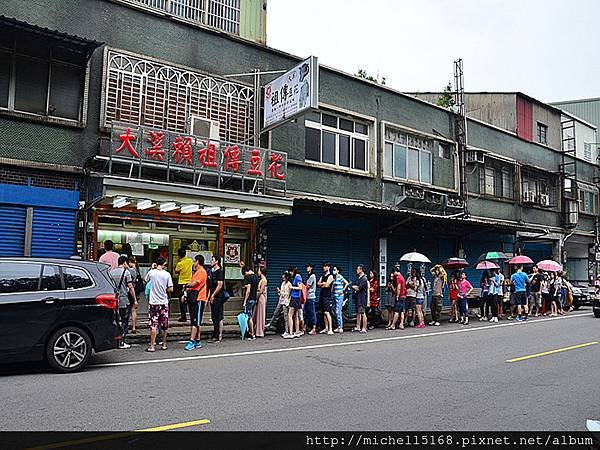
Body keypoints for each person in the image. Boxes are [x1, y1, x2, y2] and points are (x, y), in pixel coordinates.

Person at [145, 257, 173, 352]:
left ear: (156, 263)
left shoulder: (152, 273)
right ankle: (164, 344)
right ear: (164, 264)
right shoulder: (167, 274)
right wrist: (165, 289)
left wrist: (152, 268)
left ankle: (152, 346)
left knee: (153, 324)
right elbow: (171, 289)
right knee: (164, 325)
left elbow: (145, 280)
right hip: (163, 302)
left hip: (153, 302)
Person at [110, 255, 137, 349]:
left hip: (113, 300)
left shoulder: (111, 272)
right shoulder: (126, 273)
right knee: (124, 322)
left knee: (116, 321)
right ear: (125, 263)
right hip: (124, 300)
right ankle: (121, 341)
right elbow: (131, 287)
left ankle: (115, 341)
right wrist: (135, 300)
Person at [184, 255, 208, 351]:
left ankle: (192, 341)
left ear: (197, 261)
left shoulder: (202, 272)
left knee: (195, 321)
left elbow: (195, 283)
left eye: (194, 261)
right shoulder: (197, 272)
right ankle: (197, 340)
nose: (193, 263)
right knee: (196, 321)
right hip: (195, 298)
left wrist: (186, 285)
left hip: (199, 298)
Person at [208, 255, 225, 343]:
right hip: (212, 296)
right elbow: (210, 286)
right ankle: (216, 334)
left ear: (217, 261)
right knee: (214, 316)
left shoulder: (219, 272)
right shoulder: (212, 271)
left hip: (218, 297)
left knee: (217, 316)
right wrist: (209, 296)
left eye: (213, 260)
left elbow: (220, 285)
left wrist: (213, 295)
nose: (211, 261)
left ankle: (217, 335)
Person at [241, 262, 259, 340]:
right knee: (250, 316)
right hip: (254, 298)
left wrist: (244, 301)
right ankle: (251, 333)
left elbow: (248, 290)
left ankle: (252, 334)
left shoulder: (248, 277)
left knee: (249, 317)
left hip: (249, 299)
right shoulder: (256, 277)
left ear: (245, 272)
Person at [174, 248, 193, 323]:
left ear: (179, 255)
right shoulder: (190, 261)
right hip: (189, 283)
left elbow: (176, 271)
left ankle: (183, 317)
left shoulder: (180, 264)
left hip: (182, 283)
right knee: (189, 300)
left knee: (182, 301)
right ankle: (191, 316)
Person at [128, 257, 144, 334]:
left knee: (128, 309)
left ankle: (127, 325)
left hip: (130, 291)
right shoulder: (137, 270)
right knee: (134, 309)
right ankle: (134, 327)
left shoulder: (130, 271)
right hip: (137, 292)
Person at [387, 265, 407, 330]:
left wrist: (397, 296)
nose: (393, 274)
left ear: (395, 272)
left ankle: (393, 325)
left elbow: (399, 287)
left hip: (400, 296)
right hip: (404, 296)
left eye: (393, 273)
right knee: (402, 311)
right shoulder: (402, 277)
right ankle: (401, 324)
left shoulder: (398, 277)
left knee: (396, 311)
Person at [317, 263, 334, 334]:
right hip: (322, 295)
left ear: (328, 267)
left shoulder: (330, 276)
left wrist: (324, 284)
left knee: (327, 312)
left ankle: (330, 329)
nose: (323, 268)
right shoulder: (322, 276)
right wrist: (323, 283)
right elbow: (318, 284)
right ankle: (326, 328)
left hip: (327, 296)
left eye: (325, 266)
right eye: (323, 266)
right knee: (324, 312)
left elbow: (327, 285)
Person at [332, 265, 349, 333]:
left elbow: (347, 283)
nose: (333, 271)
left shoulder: (340, 277)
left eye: (335, 269)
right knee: (336, 311)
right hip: (335, 296)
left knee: (338, 311)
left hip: (339, 296)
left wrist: (342, 290)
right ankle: (338, 326)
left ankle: (340, 327)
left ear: (338, 271)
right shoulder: (335, 278)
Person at [274, 272, 292, 337]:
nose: (283, 278)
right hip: (281, 300)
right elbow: (282, 294)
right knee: (275, 313)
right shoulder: (282, 283)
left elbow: (287, 294)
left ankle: (287, 331)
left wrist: (280, 291)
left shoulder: (289, 284)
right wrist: (279, 293)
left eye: (284, 277)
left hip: (286, 302)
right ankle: (270, 324)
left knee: (285, 317)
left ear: (287, 277)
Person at [287, 267, 303, 338]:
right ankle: (297, 331)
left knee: (289, 315)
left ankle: (290, 333)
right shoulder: (297, 277)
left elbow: (300, 288)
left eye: (290, 272)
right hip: (297, 298)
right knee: (295, 315)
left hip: (295, 298)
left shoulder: (297, 277)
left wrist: (292, 287)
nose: (290, 274)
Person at [352, 265, 369, 333]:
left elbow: (359, 288)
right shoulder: (358, 278)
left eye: (357, 269)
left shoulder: (364, 279)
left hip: (362, 298)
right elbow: (355, 285)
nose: (356, 270)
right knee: (358, 313)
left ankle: (364, 328)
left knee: (363, 312)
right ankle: (358, 326)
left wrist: (354, 287)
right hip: (357, 298)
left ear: (361, 270)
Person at [253, 267, 268, 338]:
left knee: (260, 315)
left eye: (258, 270)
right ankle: (258, 331)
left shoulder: (264, 280)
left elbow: (261, 291)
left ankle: (260, 332)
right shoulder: (261, 279)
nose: (258, 272)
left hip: (261, 298)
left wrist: (256, 297)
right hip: (259, 298)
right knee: (258, 314)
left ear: (261, 272)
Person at [304, 264, 318, 335]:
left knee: (312, 313)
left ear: (311, 268)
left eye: (308, 267)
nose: (307, 268)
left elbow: (307, 286)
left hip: (311, 297)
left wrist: (302, 287)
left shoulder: (312, 276)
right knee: (306, 313)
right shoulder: (309, 276)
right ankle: (305, 327)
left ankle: (314, 328)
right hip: (307, 297)